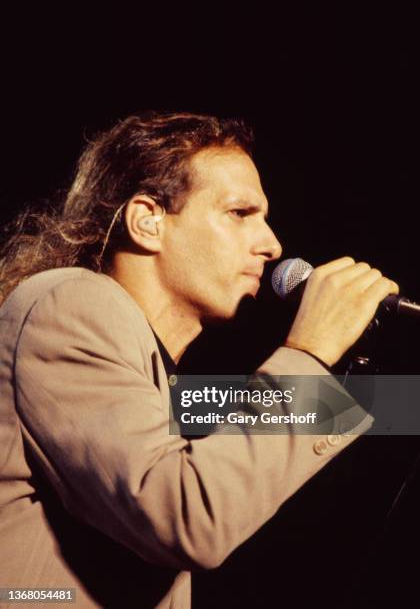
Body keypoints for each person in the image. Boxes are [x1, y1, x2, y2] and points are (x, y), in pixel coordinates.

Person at [0, 112, 398, 608]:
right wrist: (310, 351)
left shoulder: (158, 381)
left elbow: (229, 415)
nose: (272, 245)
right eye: (239, 213)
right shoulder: (69, 302)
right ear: (148, 221)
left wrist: (394, 398)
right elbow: (188, 513)